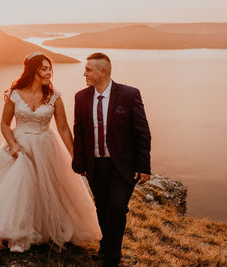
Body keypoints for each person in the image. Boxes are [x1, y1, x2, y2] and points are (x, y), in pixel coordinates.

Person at [0, 52, 102, 253]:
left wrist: (75, 156)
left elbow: (64, 128)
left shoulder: (54, 97)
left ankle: (44, 229)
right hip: (19, 145)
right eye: (44, 69)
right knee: (21, 187)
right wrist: (13, 145)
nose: (49, 73)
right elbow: (4, 124)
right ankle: (18, 234)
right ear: (33, 70)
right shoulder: (14, 94)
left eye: (50, 69)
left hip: (46, 146)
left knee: (47, 188)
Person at [72, 52, 151, 267]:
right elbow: (78, 131)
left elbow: (142, 132)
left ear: (102, 71)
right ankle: (105, 246)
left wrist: (144, 166)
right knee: (102, 208)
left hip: (121, 167)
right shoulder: (80, 97)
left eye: (88, 70)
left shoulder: (129, 94)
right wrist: (78, 162)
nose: (84, 73)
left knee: (117, 209)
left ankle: (112, 258)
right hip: (94, 166)